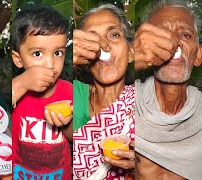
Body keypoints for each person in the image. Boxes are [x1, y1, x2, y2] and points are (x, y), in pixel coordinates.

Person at [134, 0, 202, 179]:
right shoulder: (123, 103)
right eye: (162, 35)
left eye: (185, 35)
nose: (173, 43)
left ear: (198, 55)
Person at [72, 4, 135, 179]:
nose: (104, 46)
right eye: (91, 39)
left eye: (114, 34)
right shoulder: (71, 94)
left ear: (131, 52)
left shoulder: (147, 104)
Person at [11, 5, 72, 179]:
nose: (50, 64)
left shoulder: (69, 90)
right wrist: (22, 83)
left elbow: (76, 137)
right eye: (37, 53)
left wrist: (66, 124)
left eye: (58, 53)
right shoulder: (14, 89)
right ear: (18, 59)